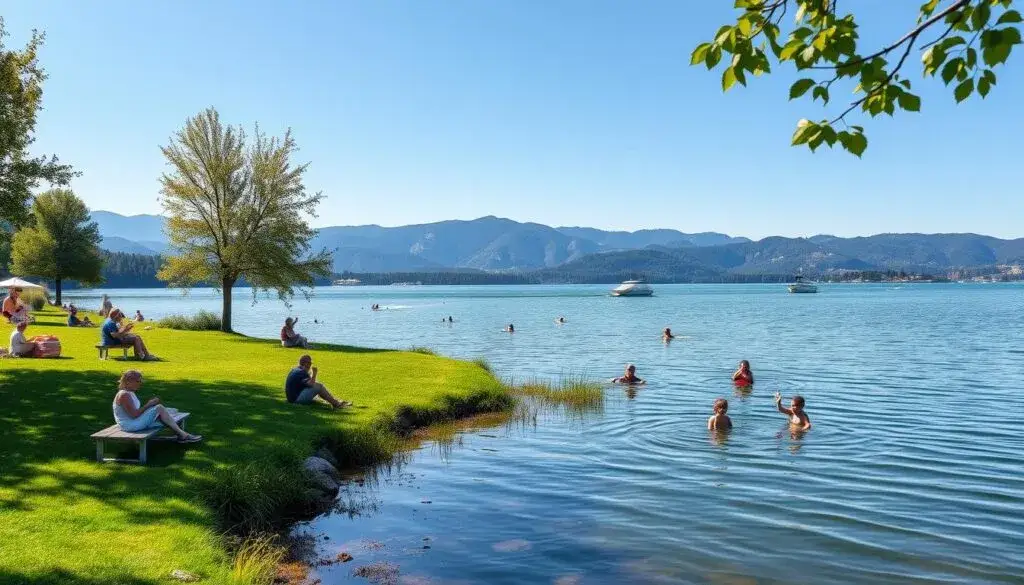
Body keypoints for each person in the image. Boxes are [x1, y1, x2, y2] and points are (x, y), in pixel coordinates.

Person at [112, 370, 201, 442]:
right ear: (128, 382)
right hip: (129, 425)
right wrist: (149, 404)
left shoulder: (129, 393)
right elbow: (134, 415)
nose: (140, 383)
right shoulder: (124, 395)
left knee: (172, 411)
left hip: (134, 422)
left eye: (140, 381)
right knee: (160, 408)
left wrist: (150, 407)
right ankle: (183, 435)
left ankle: (180, 433)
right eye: (137, 381)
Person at [284, 355, 351, 408]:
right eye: (310, 363)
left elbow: (304, 384)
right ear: (306, 363)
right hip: (296, 400)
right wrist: (314, 373)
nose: (310, 365)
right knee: (319, 386)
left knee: (317, 386)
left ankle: (333, 400)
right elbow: (311, 384)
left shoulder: (295, 369)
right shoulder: (302, 372)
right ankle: (336, 404)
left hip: (291, 398)